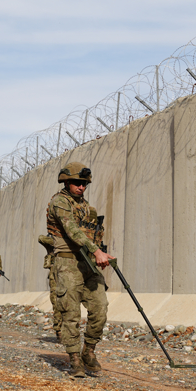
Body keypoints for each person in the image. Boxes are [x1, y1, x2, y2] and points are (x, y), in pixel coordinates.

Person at [46, 162, 114, 378]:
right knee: (70, 312)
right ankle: (74, 358)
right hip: (67, 263)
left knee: (100, 307)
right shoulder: (59, 202)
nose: (81, 187)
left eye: (84, 183)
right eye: (77, 182)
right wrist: (96, 251)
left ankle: (89, 351)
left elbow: (93, 235)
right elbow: (72, 230)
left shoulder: (87, 208)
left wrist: (101, 254)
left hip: (88, 263)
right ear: (66, 181)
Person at [38, 235, 64, 341]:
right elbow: (41, 238)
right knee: (56, 301)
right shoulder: (53, 239)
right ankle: (59, 330)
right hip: (55, 272)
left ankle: (67, 330)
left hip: (67, 270)